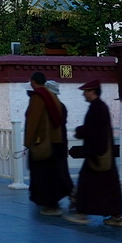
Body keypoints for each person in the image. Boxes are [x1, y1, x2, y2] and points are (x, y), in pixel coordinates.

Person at [65, 81, 122, 227]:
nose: (83, 94)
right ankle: (116, 216)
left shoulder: (96, 108)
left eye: (85, 91)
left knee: (86, 183)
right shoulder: (100, 107)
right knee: (109, 187)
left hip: (96, 155)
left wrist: (80, 131)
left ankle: (81, 213)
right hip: (104, 154)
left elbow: (93, 130)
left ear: (92, 91)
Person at [23, 72, 75, 216]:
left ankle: (51, 206)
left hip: (43, 144)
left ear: (33, 81)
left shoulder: (38, 97)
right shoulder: (52, 97)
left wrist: (28, 142)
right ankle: (62, 200)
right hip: (56, 143)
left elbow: (33, 121)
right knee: (56, 175)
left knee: (43, 176)